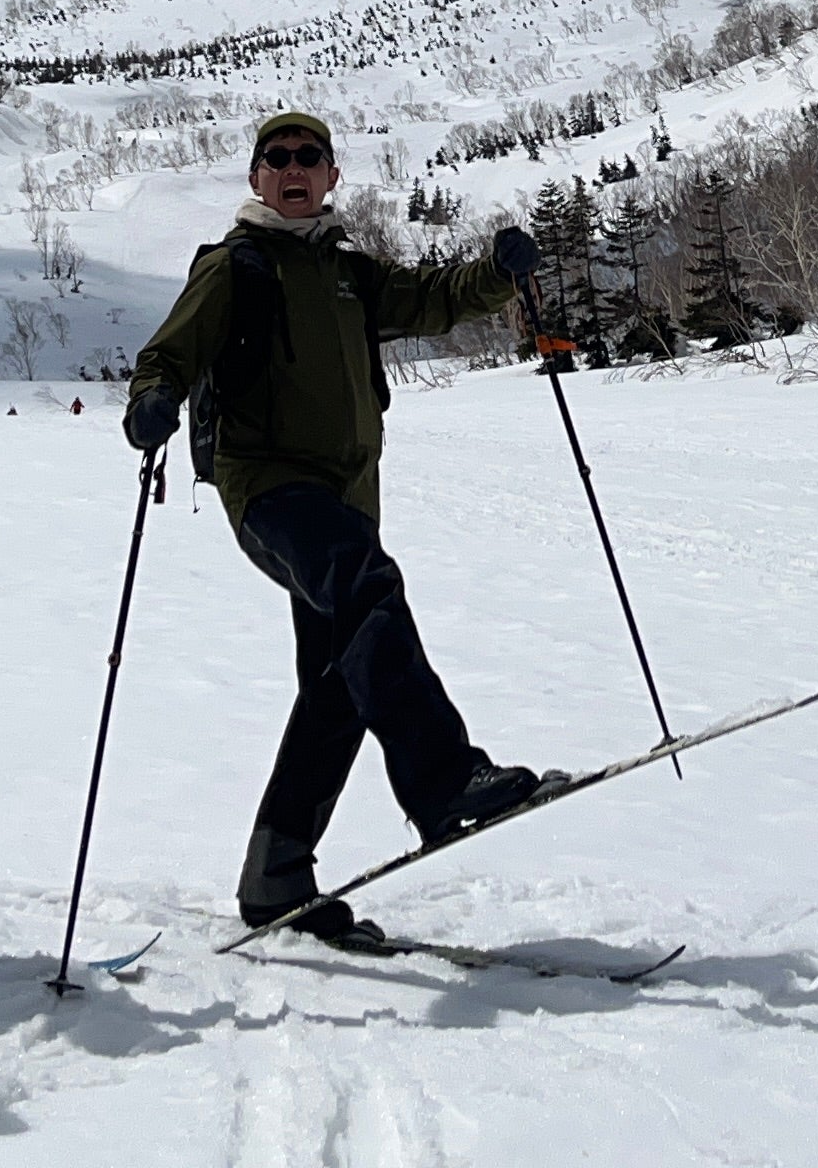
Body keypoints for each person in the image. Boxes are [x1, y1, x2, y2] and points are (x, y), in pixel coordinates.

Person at [124, 109, 545, 940]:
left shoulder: (349, 271)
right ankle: (444, 779)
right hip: (270, 492)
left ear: (330, 177)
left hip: (347, 498)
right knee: (364, 584)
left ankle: (276, 877)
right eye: (275, 159)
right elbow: (167, 352)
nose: (291, 169)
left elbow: (431, 300)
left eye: (307, 157)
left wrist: (497, 273)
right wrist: (153, 398)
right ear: (255, 180)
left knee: (337, 689)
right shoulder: (236, 265)